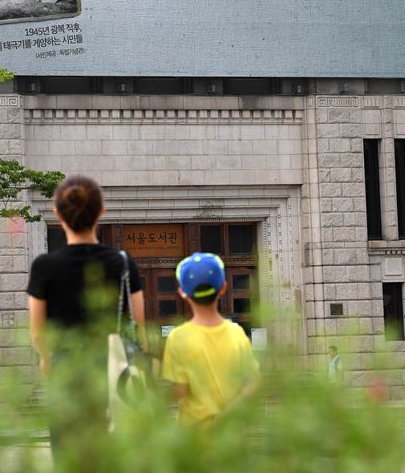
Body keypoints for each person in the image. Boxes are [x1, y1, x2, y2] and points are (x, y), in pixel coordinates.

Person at [27, 174, 145, 450]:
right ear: (100, 212)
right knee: (114, 454)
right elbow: (138, 327)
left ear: (57, 214)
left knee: (69, 459)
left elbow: (37, 331)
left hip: (65, 372)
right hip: (113, 370)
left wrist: (46, 361)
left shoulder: (44, 266)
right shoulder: (123, 263)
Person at [162, 253, 260, 425]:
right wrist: (229, 413)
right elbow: (254, 381)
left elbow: (180, 389)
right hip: (229, 435)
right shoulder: (236, 333)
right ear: (223, 288)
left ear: (182, 292)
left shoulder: (178, 337)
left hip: (193, 435)